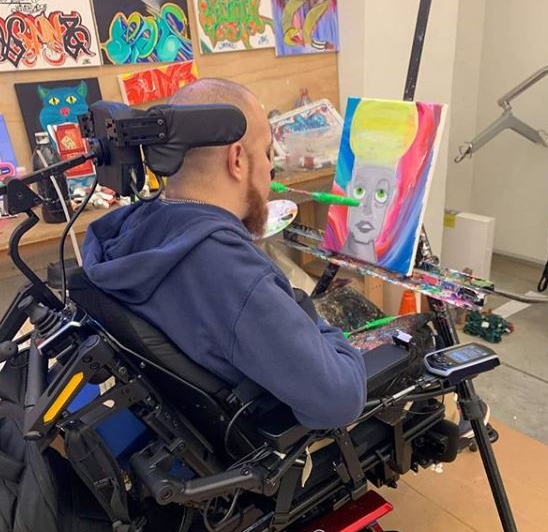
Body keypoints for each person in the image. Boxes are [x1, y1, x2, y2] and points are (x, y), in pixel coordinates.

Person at [82, 78, 367, 430]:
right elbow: (340, 399)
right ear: (237, 159)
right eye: (267, 153)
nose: (270, 171)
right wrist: (315, 322)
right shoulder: (230, 271)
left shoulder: (125, 231)